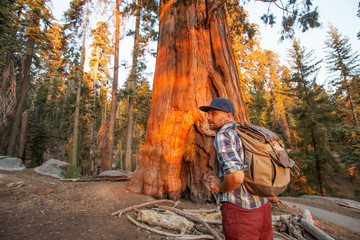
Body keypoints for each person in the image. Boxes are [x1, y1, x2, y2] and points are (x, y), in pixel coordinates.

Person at [199, 97, 273, 240]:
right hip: (263, 207)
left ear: (228, 116)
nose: (208, 117)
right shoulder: (245, 131)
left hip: (241, 212)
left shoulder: (224, 135)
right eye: (208, 114)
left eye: (213, 113)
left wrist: (220, 187)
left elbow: (237, 177)